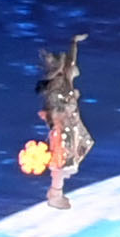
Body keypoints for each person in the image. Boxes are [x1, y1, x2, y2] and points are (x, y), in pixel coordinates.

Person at [35, 37, 91, 212]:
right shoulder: (53, 89)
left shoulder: (64, 81)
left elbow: (71, 61)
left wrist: (73, 43)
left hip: (71, 124)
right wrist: (71, 101)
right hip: (61, 127)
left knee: (73, 154)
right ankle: (55, 194)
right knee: (61, 160)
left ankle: (57, 191)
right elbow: (56, 109)